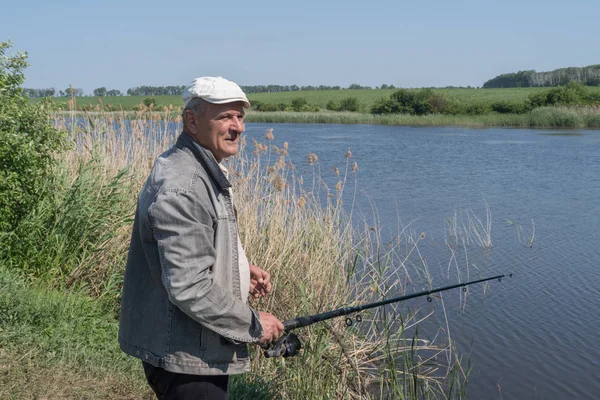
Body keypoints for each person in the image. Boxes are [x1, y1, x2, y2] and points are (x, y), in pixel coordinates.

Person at [118, 76, 284, 399]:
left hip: (190, 348)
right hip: (187, 360)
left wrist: (239, 272)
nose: (238, 126)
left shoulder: (198, 167)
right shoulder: (185, 185)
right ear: (192, 121)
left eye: (240, 116)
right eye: (225, 116)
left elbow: (191, 253)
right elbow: (189, 285)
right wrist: (252, 324)